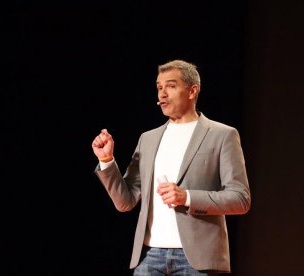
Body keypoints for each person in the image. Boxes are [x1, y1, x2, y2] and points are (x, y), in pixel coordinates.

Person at [92, 59, 251, 275]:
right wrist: (107, 160)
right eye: (159, 87)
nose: (162, 94)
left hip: (198, 260)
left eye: (171, 86)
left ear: (192, 91)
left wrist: (186, 197)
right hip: (149, 257)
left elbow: (240, 200)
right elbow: (126, 202)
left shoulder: (222, 135)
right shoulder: (147, 139)